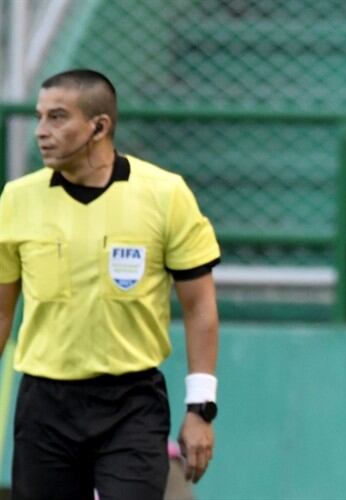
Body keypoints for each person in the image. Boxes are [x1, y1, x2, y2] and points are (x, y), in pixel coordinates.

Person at [0, 69, 221, 500]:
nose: (41, 131)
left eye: (58, 117)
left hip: (131, 403)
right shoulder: (16, 199)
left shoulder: (164, 194)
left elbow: (200, 309)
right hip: (44, 404)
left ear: (99, 126)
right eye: (40, 117)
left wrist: (201, 409)